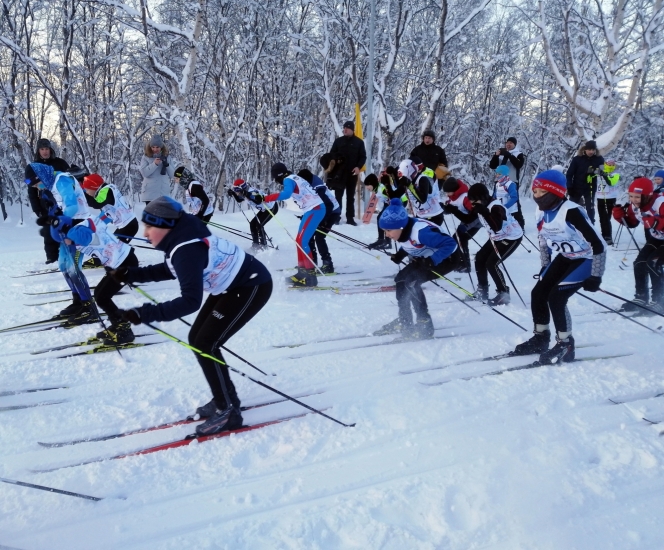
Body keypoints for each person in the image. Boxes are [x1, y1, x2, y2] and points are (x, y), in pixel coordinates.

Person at [111, 197, 273, 435]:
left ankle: (227, 411)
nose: (145, 233)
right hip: (230, 285)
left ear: (166, 226)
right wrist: (131, 274)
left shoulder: (186, 248)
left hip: (251, 286)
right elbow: (172, 268)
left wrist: (146, 313)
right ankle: (226, 400)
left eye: (149, 227)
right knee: (198, 340)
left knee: (206, 342)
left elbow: (190, 301)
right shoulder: (181, 239)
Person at [510, 170, 606, 364]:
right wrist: (545, 267)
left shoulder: (570, 211)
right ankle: (541, 337)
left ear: (554, 191)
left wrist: (595, 276)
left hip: (586, 259)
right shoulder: (541, 213)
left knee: (557, 296)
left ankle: (566, 343)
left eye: (540, 191)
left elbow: (599, 246)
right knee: (539, 292)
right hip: (565, 257)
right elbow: (543, 241)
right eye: (534, 191)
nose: (536, 196)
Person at [374, 198, 461, 340]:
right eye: (384, 231)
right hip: (424, 258)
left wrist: (432, 260)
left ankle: (424, 322)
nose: (387, 235)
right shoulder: (404, 229)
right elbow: (410, 243)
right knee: (401, 280)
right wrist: (400, 255)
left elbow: (450, 244)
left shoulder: (421, 232)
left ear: (400, 226)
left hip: (446, 258)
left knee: (411, 282)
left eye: (389, 230)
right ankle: (405, 320)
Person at [49, 213, 140, 344]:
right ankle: (118, 324)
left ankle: (124, 330)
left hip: (124, 264)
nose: (65, 243)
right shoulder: (88, 221)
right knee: (99, 294)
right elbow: (103, 222)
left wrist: (71, 236)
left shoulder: (75, 232)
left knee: (102, 297)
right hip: (122, 261)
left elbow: (86, 237)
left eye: (63, 240)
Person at [24, 163, 95, 324]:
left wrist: (57, 221)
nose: (37, 187)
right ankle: (78, 301)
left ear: (41, 176)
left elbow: (72, 205)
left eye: (36, 183)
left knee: (73, 267)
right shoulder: (52, 183)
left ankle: (88, 306)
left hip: (78, 226)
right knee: (64, 266)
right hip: (68, 225)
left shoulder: (61, 180)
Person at [263, 163, 325, 287]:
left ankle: (310, 276)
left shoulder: (288, 179)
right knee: (299, 241)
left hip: (315, 208)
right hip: (312, 209)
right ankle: (302, 273)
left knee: (302, 242)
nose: (277, 181)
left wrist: (267, 198)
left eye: (276, 179)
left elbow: (286, 194)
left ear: (278, 176)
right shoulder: (293, 177)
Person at [612, 177, 664, 314]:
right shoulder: (634, 206)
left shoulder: (659, 203)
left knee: (653, 263)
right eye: (631, 196)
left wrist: (655, 222)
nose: (634, 200)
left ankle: (660, 300)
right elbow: (632, 223)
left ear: (647, 196)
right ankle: (641, 298)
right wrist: (620, 215)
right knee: (639, 263)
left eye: (637, 196)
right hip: (657, 238)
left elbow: (655, 221)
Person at [465, 183, 523, 305]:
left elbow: (497, 226)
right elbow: (468, 219)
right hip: (497, 238)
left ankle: (503, 294)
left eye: (474, 201)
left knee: (492, 263)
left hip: (511, 237)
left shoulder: (496, 207)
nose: (472, 204)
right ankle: (482, 290)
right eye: (471, 201)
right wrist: (451, 210)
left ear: (483, 198)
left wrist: (485, 212)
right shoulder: (482, 206)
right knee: (480, 258)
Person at [26, 138, 70, 263]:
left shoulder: (60, 163)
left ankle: (67, 256)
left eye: (46, 149)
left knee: (65, 229)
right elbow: (31, 191)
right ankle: (51, 258)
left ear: (50, 149)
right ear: (38, 151)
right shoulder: (34, 167)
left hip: (62, 203)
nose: (45, 152)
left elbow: (70, 180)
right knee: (48, 231)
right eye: (42, 149)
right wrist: (37, 209)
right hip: (45, 205)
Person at [298, 169, 341, 273]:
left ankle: (328, 264)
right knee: (309, 235)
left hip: (332, 212)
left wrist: (323, 222)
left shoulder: (318, 188)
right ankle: (312, 262)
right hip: (322, 211)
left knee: (319, 236)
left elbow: (329, 205)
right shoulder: (309, 184)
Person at [328, 121, 366, 225]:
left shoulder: (359, 142)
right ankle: (336, 216)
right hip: (339, 174)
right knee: (338, 196)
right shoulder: (338, 141)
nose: (345, 130)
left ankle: (350, 217)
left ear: (352, 129)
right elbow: (332, 155)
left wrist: (358, 167)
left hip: (352, 173)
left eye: (347, 128)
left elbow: (363, 157)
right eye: (344, 128)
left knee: (350, 196)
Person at [81, 173, 138, 243]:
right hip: (126, 225)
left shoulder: (106, 190)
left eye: (87, 189)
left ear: (94, 187)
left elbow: (96, 204)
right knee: (115, 249)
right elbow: (107, 214)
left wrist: (82, 194)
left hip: (128, 225)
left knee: (117, 250)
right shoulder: (106, 190)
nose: (87, 192)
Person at [441, 177, 481, 273]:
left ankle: (465, 264)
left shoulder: (465, 197)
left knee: (460, 238)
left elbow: (474, 214)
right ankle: (461, 263)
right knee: (457, 239)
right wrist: (444, 207)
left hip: (475, 221)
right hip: (466, 220)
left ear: (454, 190)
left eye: (448, 192)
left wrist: (466, 225)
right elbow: (451, 209)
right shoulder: (452, 197)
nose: (447, 194)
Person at [228, 179, 278, 251]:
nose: (236, 192)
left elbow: (258, 200)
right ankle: (256, 244)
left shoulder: (252, 191)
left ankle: (264, 245)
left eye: (236, 190)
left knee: (259, 225)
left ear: (242, 188)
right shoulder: (244, 192)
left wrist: (246, 194)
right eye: (235, 189)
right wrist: (232, 193)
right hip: (264, 209)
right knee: (252, 224)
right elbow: (239, 200)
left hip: (271, 207)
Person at [364, 169, 407, 250]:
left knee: (384, 218)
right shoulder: (377, 189)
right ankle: (382, 240)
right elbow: (385, 200)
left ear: (371, 183)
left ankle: (386, 241)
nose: (366, 188)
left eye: (367, 186)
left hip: (400, 201)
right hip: (390, 202)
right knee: (380, 217)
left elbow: (393, 195)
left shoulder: (381, 188)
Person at [565, 140, 605, 224]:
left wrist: (594, 171)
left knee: (590, 208)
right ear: (585, 149)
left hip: (590, 188)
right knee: (571, 206)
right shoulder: (577, 159)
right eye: (589, 149)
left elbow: (603, 172)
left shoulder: (599, 159)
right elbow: (569, 174)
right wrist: (569, 187)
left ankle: (591, 226)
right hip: (576, 187)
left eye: (593, 150)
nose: (591, 151)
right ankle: (568, 223)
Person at [489, 136, 525, 227]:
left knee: (514, 203)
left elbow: (519, 165)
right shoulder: (501, 153)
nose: (508, 144)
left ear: (514, 145)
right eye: (507, 142)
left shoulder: (518, 154)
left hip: (511, 181)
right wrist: (496, 156)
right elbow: (492, 166)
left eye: (511, 143)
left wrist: (509, 155)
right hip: (499, 181)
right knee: (497, 201)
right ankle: (498, 221)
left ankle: (519, 223)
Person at [399, 158, 444, 226]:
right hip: (421, 214)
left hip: (433, 214)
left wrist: (410, 185)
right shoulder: (411, 178)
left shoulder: (426, 175)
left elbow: (426, 195)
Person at [139, 135, 175, 205]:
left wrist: (167, 165)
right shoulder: (146, 157)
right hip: (149, 194)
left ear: (161, 147)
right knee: (151, 216)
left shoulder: (168, 157)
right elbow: (144, 173)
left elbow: (173, 175)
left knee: (163, 215)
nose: (155, 149)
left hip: (163, 193)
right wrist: (154, 164)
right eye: (153, 147)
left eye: (157, 147)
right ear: (150, 147)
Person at [595, 160, 620, 245]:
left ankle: (608, 236)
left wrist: (605, 175)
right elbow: (589, 179)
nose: (610, 165)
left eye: (612, 163)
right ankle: (604, 235)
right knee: (602, 218)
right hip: (600, 197)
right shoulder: (599, 170)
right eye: (608, 163)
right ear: (605, 164)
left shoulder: (616, 172)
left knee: (606, 217)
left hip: (610, 198)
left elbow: (611, 183)